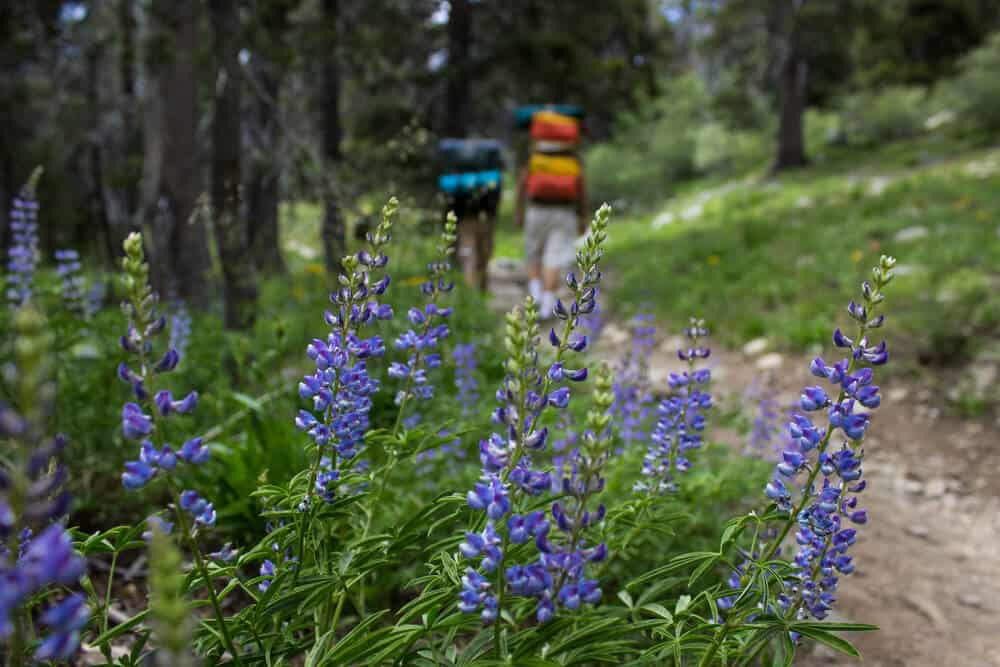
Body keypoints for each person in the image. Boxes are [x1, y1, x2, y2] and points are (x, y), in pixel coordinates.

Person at [513, 111, 587, 317]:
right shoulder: (572, 161)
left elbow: (521, 185)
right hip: (564, 212)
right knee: (553, 259)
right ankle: (547, 305)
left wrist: (518, 211)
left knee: (533, 254)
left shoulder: (535, 158)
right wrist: (583, 217)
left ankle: (535, 296)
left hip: (537, 210)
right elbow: (581, 191)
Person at [438, 139, 503, 291]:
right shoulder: (490, 172)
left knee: (468, 256)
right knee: (484, 255)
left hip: (463, 218)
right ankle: (480, 291)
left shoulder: (456, 173)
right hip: (487, 218)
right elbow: (497, 196)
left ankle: (471, 293)